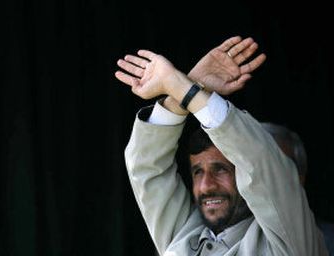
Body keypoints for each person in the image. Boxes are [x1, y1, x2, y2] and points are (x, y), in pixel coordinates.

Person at [115, 36, 328, 255]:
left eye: (221, 169)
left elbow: (259, 161)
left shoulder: (288, 243)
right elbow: (146, 166)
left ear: (246, 178)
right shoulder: (185, 236)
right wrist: (183, 88)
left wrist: (181, 87)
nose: (207, 186)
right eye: (198, 171)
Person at [261, 122, 334, 255]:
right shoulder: (221, 239)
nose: (265, 178)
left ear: (300, 177)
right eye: (258, 167)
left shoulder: (327, 242)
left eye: (277, 167)